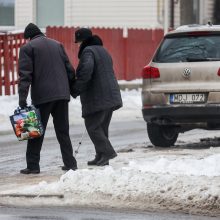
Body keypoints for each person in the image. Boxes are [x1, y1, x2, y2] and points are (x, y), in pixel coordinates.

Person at [18, 23, 77, 174]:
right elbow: (70, 70)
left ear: (29, 37)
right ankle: (70, 164)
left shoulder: (28, 48)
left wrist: (22, 100)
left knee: (34, 131)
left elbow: (25, 76)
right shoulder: (57, 45)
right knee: (63, 131)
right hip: (62, 96)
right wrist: (72, 90)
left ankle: (33, 166)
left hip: (43, 97)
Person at [72, 28, 123, 166]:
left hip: (98, 96)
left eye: (79, 42)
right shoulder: (103, 50)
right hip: (110, 95)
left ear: (84, 41)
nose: (78, 45)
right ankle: (101, 156)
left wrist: (76, 88)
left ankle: (107, 152)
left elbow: (87, 70)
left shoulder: (88, 52)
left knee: (92, 126)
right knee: (102, 127)